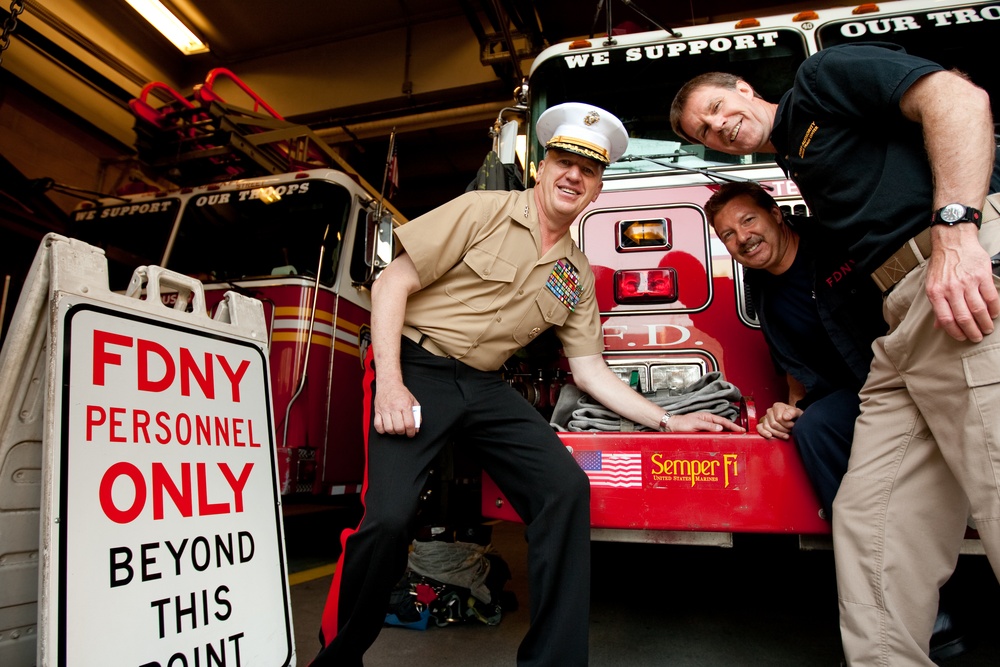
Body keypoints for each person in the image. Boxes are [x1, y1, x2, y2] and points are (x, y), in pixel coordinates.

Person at [311, 102, 745, 667]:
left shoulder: (576, 273)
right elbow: (393, 283)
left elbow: (590, 371)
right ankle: (337, 658)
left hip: (486, 386)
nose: (573, 176)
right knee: (388, 519)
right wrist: (391, 384)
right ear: (542, 167)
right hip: (416, 367)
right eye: (564, 161)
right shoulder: (481, 209)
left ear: (596, 190)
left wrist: (669, 419)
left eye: (587, 171)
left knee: (564, 492)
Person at [671, 43, 1000, 665]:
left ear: (745, 88)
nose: (717, 127)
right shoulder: (800, 160)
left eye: (716, 107)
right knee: (866, 516)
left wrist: (957, 234)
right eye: (704, 132)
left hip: (950, 280)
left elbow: (957, 98)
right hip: (899, 331)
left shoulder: (820, 78)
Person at [704, 181, 885, 520]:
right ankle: (861, 533)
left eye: (748, 220)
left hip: (900, 376)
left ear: (776, 213)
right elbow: (793, 364)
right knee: (813, 425)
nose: (742, 238)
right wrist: (787, 412)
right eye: (728, 234)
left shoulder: (838, 240)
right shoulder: (761, 289)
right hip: (852, 396)